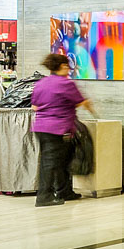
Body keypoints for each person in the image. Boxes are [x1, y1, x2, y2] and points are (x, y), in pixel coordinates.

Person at [30, 51, 94, 207]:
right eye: (67, 65)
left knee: (61, 160)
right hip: (57, 129)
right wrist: (92, 110)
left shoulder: (41, 83)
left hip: (41, 127)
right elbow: (82, 102)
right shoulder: (66, 84)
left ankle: (65, 191)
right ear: (63, 66)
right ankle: (44, 196)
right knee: (51, 163)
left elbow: (34, 107)